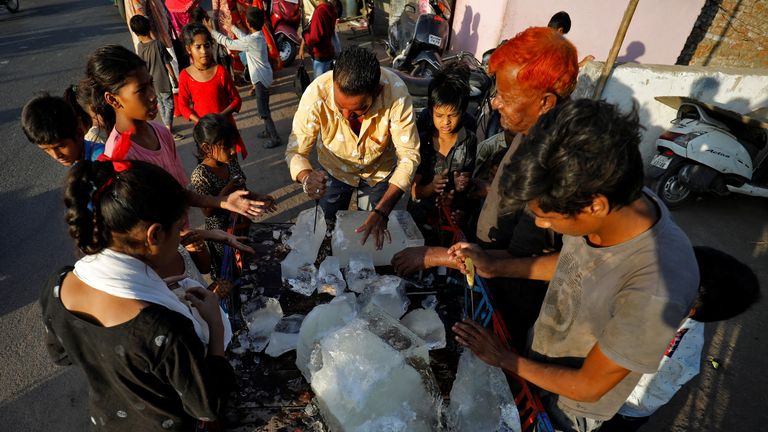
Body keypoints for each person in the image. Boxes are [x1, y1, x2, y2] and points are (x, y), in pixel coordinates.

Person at [451, 99, 700, 431]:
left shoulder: (656, 287)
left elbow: (589, 385)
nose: (541, 226)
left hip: (568, 409)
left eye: (547, 217)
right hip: (534, 357)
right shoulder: (618, 202)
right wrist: (495, 267)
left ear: (595, 206)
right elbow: (573, 264)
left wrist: (504, 359)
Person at [392, 27, 578, 349]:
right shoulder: (530, 127)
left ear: (545, 102)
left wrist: (435, 256)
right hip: (487, 274)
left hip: (513, 297)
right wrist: (485, 190)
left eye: (505, 96)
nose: (495, 104)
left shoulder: (557, 163)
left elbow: (549, 260)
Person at [40, 159, 234, 430]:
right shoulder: (164, 330)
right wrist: (214, 325)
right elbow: (207, 405)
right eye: (178, 229)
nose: (181, 237)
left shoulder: (58, 286)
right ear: (154, 235)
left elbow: (61, 354)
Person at [83, 44, 268, 220]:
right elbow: (144, 223)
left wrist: (223, 201)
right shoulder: (119, 157)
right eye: (141, 90)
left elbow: (178, 192)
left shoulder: (161, 132)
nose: (153, 95)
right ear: (113, 100)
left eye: (151, 84)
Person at [601, 246, 761, 432]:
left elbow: (613, 379)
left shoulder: (664, 346)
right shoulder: (687, 310)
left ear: (688, 305)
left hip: (625, 409)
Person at [286, 46, 420, 249]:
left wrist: (382, 211)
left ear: (377, 91)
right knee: (326, 229)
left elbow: (409, 156)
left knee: (370, 230)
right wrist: (306, 177)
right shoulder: (317, 94)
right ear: (333, 84)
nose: (347, 116)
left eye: (359, 110)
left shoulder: (396, 94)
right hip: (334, 170)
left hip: (378, 173)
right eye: (340, 108)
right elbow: (296, 151)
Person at [190, 114, 275, 277]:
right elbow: (207, 211)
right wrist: (226, 191)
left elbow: (243, 189)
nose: (232, 151)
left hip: (240, 224)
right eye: (226, 146)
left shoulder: (230, 161)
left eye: (233, 145)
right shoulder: (200, 174)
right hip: (221, 233)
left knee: (246, 261)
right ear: (207, 148)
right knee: (229, 269)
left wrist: (258, 197)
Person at [408, 70, 477, 244]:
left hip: (452, 222)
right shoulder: (423, 142)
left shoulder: (469, 141)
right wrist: (432, 187)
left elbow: (468, 182)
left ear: (462, 112)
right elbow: (414, 191)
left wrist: (461, 188)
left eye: (452, 116)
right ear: (431, 111)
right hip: (420, 221)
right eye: (439, 116)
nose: (445, 122)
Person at [205, 7, 282, 149]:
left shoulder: (252, 40)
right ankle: (268, 131)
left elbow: (229, 43)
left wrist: (212, 31)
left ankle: (274, 137)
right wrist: (232, 27)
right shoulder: (258, 36)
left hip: (260, 80)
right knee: (264, 108)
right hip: (264, 77)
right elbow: (244, 38)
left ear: (248, 23)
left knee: (263, 111)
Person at [178, 24, 249, 158]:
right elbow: (183, 105)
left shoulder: (221, 72)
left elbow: (236, 100)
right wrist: (200, 122)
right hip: (204, 135)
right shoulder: (185, 76)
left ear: (212, 46)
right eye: (198, 47)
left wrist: (220, 117)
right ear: (189, 49)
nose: (203, 51)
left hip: (225, 132)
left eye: (206, 46)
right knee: (211, 170)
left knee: (232, 170)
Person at [130, 15, 182, 141]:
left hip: (151, 84)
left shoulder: (140, 47)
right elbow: (167, 63)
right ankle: (168, 128)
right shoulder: (158, 44)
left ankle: (166, 125)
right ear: (149, 28)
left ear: (136, 33)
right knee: (169, 104)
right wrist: (174, 77)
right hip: (163, 81)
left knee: (161, 104)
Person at [21, 94, 105, 166]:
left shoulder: (101, 160)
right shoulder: (80, 160)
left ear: (79, 134)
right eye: (46, 149)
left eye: (60, 146)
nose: (56, 156)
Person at [298, 0, 338, 79]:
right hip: (329, 52)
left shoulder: (319, 12)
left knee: (319, 85)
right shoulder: (331, 8)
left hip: (320, 54)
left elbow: (314, 38)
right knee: (327, 83)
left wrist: (305, 35)